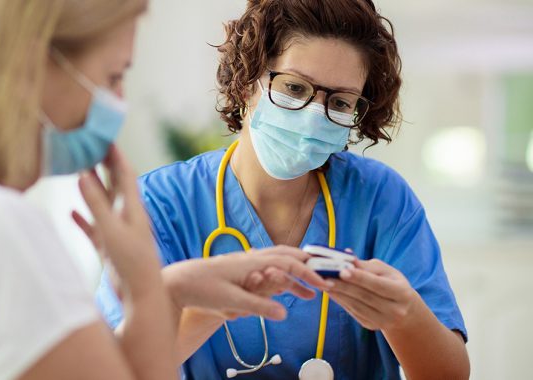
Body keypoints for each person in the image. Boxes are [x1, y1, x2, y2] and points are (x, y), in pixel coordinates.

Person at [0, 0, 331, 379]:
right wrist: (141, 285)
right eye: (112, 76)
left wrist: (171, 291)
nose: (117, 103)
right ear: (31, 65)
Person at [97, 0, 470, 379]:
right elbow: (119, 368)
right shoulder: (161, 205)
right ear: (247, 83)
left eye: (340, 101)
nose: (313, 114)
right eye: (294, 87)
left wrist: (403, 314)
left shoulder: (380, 199)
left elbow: (448, 373)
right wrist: (213, 304)